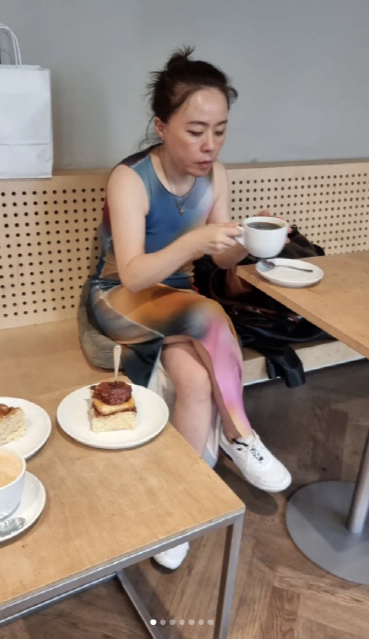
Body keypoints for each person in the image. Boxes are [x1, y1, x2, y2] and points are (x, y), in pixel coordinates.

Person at [90, 46, 291, 569]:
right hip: (119, 299)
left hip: (178, 303)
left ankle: (177, 510)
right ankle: (240, 434)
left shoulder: (216, 175)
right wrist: (195, 239)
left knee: (198, 382)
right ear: (161, 126)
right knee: (205, 315)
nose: (210, 145)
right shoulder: (130, 178)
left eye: (220, 130)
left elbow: (221, 260)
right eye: (196, 130)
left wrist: (247, 240)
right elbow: (133, 274)